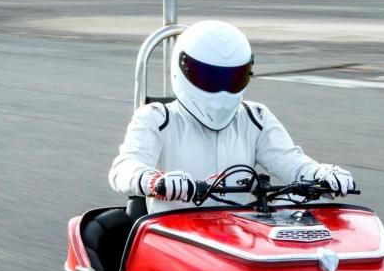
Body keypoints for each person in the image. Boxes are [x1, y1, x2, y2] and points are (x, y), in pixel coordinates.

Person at [109, 20, 354, 213]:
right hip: (171, 238)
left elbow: (292, 163)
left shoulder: (255, 118)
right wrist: (154, 180)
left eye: (232, 78)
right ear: (182, 68)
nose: (223, 90)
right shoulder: (155, 118)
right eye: (211, 78)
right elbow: (123, 169)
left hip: (236, 237)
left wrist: (323, 174)